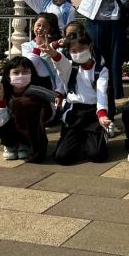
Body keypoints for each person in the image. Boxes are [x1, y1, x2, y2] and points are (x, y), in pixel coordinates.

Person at [50, 31, 111, 165]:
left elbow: (101, 92)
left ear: (90, 46)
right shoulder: (70, 68)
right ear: (69, 52)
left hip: (93, 113)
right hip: (74, 113)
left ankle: (99, 135)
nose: (78, 53)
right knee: (62, 157)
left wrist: (102, 114)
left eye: (82, 48)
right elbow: (60, 62)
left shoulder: (101, 70)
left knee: (97, 155)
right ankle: (78, 139)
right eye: (74, 51)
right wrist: (52, 52)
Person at [0, 56, 55, 162]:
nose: (21, 76)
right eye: (16, 73)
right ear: (8, 76)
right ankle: (10, 144)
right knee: (0, 124)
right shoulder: (3, 91)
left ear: (31, 73)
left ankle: (26, 143)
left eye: (25, 72)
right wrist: (0, 99)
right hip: (10, 127)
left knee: (23, 103)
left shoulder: (39, 90)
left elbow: (52, 111)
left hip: (31, 127)